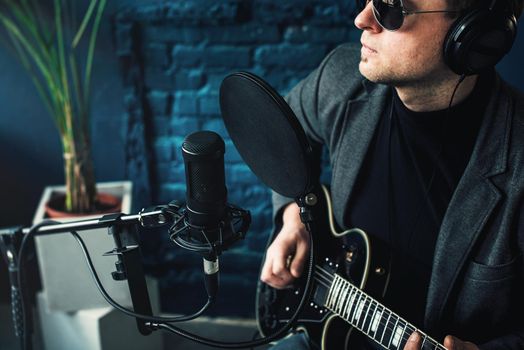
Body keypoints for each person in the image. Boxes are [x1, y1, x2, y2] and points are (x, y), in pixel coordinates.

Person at [260, 0, 524, 349]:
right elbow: (283, 131)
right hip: (319, 333)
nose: (361, 20)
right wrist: (294, 215)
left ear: (472, 36)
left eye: (392, 9)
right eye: (366, 0)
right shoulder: (342, 77)